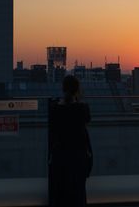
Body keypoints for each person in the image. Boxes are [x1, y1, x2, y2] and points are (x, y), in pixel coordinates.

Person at [49, 75, 92, 207]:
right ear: (77, 89)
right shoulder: (82, 108)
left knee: (61, 193)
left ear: (63, 88)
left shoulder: (55, 109)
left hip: (60, 156)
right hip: (78, 156)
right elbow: (87, 120)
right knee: (78, 192)